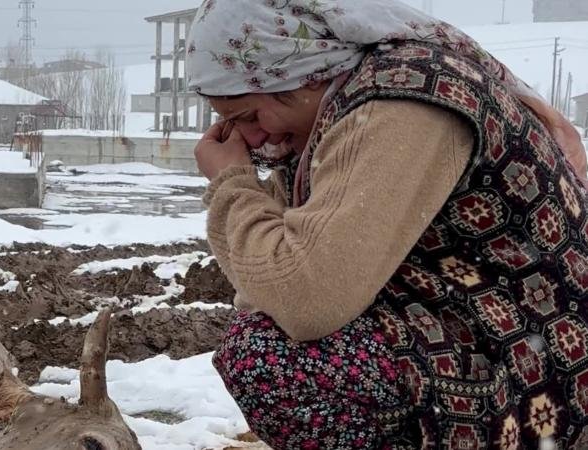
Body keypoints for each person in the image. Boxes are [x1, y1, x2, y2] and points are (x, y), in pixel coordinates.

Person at [187, 0, 588, 448]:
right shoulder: (335, 111)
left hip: (540, 367)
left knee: (266, 359)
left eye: (249, 117)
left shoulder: (402, 101)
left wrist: (232, 184)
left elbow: (303, 299)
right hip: (476, 328)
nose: (253, 139)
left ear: (302, 73)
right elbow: (271, 293)